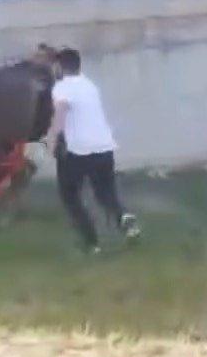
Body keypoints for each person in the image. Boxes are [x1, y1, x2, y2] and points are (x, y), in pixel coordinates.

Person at [43, 48, 141, 253]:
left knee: (70, 195)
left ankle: (91, 243)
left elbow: (60, 112)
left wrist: (51, 140)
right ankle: (123, 217)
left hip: (78, 150)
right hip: (104, 146)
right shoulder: (89, 85)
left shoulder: (62, 87)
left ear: (60, 68)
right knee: (105, 191)